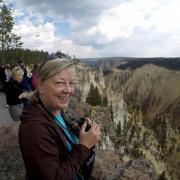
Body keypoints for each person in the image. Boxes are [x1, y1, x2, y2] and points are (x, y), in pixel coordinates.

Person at [18, 58, 101, 180]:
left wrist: (81, 132)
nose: (68, 90)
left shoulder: (54, 110)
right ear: (40, 85)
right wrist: (84, 146)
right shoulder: (34, 129)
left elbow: (61, 136)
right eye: (59, 83)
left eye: (71, 83)